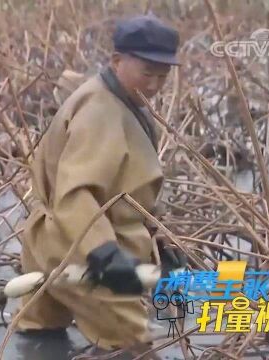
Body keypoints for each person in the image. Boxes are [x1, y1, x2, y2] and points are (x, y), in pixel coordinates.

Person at [15, 14, 183, 356]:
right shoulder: (100, 111)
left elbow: (124, 181)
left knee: (40, 335)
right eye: (147, 73)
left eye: (162, 76)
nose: (153, 85)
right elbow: (75, 195)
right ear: (117, 61)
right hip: (80, 248)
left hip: (49, 243)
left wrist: (158, 236)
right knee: (131, 345)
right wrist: (105, 254)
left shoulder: (117, 98)